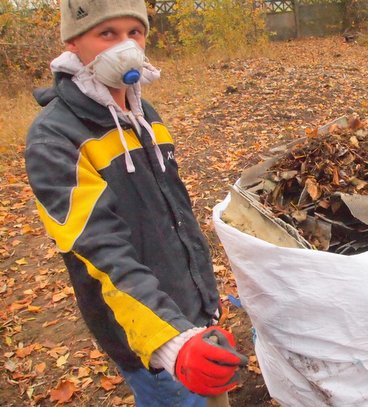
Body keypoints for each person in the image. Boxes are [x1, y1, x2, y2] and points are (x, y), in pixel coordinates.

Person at [24, 1, 247, 405]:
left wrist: (204, 299)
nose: (125, 46)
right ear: (74, 42)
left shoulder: (144, 113)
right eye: (107, 34)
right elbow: (102, 251)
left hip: (194, 314)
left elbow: (175, 216)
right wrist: (172, 343)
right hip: (150, 341)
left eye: (134, 32)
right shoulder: (54, 139)